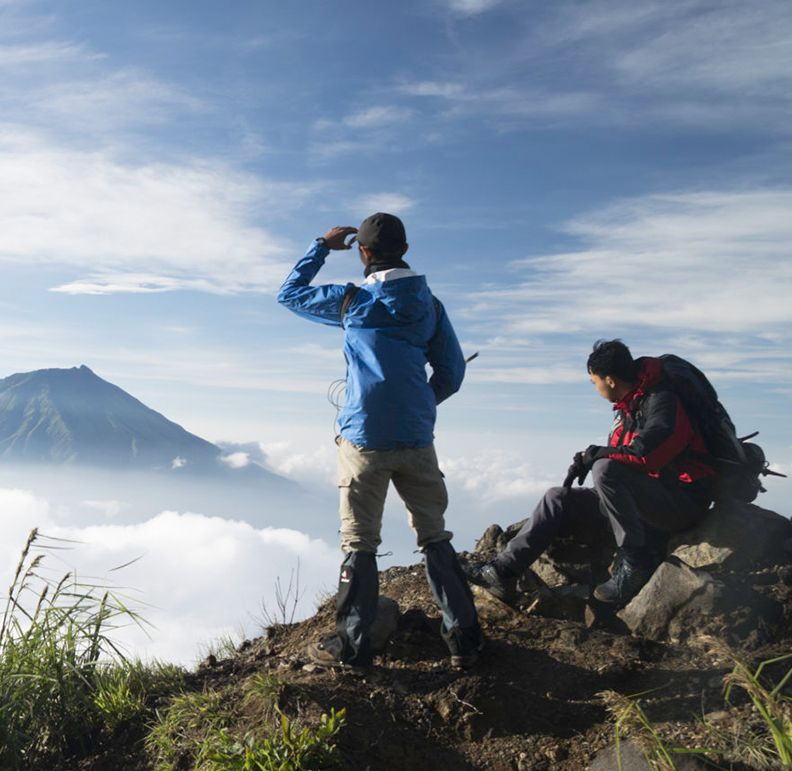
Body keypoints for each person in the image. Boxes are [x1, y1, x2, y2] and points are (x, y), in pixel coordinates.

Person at [277, 212, 483, 670]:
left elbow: (289, 295)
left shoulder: (352, 301)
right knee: (434, 536)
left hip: (363, 438)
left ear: (364, 253)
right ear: (404, 250)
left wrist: (321, 246)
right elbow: (452, 371)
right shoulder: (429, 304)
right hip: (416, 437)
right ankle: (466, 641)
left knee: (359, 541)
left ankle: (353, 647)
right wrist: (421, 404)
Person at [466, 340, 714, 606]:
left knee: (605, 468)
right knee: (557, 498)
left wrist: (597, 456)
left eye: (594, 381)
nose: (595, 388)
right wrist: (588, 458)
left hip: (680, 503)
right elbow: (626, 456)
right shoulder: (630, 405)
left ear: (610, 379)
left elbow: (646, 457)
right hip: (647, 498)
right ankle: (502, 571)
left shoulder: (664, 403)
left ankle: (635, 564)